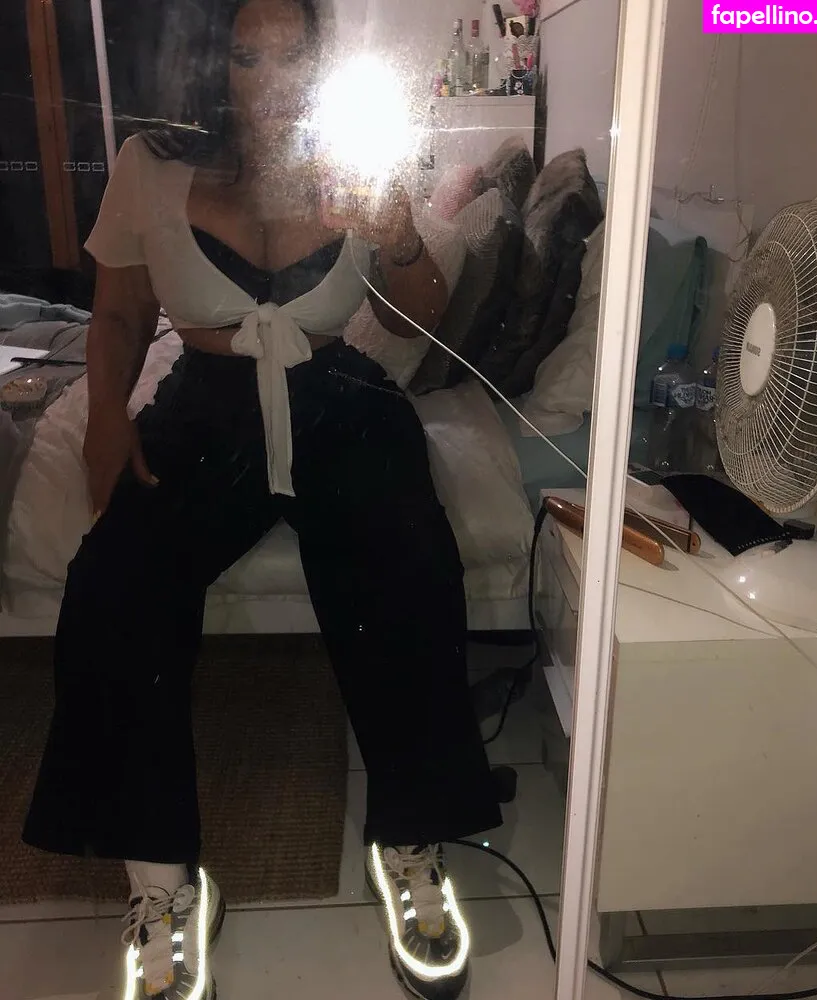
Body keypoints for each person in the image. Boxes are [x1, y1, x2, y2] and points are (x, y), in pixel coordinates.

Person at [21, 1, 503, 998]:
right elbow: (119, 313)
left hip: (339, 398)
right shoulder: (150, 165)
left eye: (295, 56)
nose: (274, 81)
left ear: (323, 64)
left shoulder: (358, 155)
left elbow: (421, 319)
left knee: (411, 566)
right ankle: (161, 883)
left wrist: (398, 233)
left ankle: (410, 840)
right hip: (206, 405)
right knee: (114, 585)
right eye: (249, 56)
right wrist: (107, 416)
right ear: (216, 63)